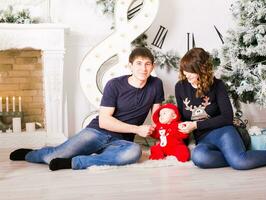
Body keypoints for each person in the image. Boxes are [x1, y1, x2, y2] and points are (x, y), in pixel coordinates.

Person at [10, 47, 164, 171]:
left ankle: (75, 162)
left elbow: (157, 117)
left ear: (153, 66)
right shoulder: (115, 84)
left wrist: (164, 141)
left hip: (121, 142)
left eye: (147, 64)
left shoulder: (156, 84)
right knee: (52, 156)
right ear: (130, 65)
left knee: (133, 152)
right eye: (139, 63)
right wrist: (137, 129)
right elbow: (104, 121)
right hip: (96, 132)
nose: (143, 68)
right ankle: (30, 154)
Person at [175, 47, 266, 170]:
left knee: (240, 163)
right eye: (184, 70)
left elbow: (227, 118)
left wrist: (196, 124)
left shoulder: (217, 85)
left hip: (224, 132)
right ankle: (236, 155)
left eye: (190, 70)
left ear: (202, 69)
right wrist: (183, 133)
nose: (186, 74)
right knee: (199, 158)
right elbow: (181, 117)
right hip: (203, 138)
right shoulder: (180, 87)